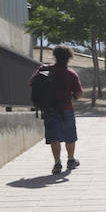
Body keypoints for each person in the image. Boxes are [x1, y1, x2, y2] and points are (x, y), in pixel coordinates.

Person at [30, 46, 84, 174]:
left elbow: (32, 82)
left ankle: (57, 163)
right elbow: (79, 94)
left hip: (49, 108)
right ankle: (71, 160)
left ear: (55, 56)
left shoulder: (45, 70)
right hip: (66, 108)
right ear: (69, 58)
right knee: (70, 136)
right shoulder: (71, 74)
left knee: (54, 137)